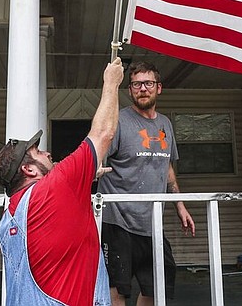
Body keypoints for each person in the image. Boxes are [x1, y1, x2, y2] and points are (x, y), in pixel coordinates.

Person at [0, 57, 124, 306]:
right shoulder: (56, 187)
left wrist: (84, 179)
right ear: (28, 169)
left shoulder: (10, 214)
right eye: (38, 153)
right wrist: (111, 83)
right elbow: (104, 133)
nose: (48, 153)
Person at [97, 60, 196, 305]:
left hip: (152, 221)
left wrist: (180, 205)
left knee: (156, 285)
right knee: (117, 288)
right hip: (117, 220)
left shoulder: (165, 124)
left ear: (158, 88)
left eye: (148, 83)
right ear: (130, 90)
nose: (143, 88)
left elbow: (168, 168)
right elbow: (97, 156)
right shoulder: (119, 122)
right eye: (137, 84)